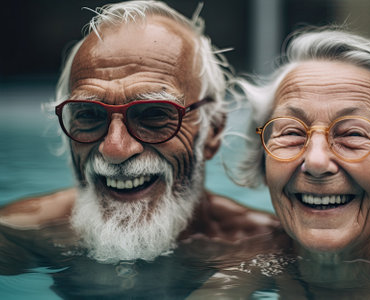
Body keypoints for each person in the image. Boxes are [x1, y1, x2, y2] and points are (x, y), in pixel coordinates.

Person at [0, 1, 278, 297]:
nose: (115, 149)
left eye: (154, 114)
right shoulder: (20, 233)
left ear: (212, 131)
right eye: (89, 115)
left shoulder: (267, 247)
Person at [191, 28, 370, 299]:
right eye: (291, 133)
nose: (315, 162)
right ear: (264, 163)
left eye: (352, 134)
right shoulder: (250, 260)